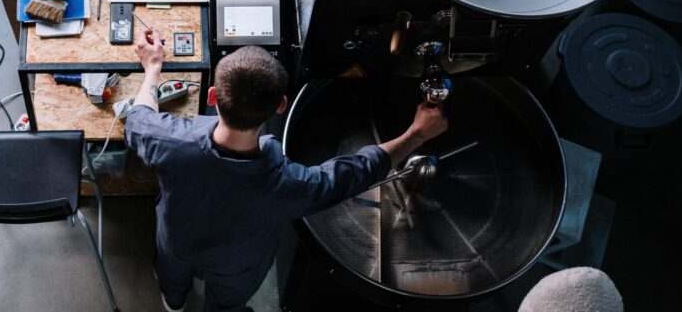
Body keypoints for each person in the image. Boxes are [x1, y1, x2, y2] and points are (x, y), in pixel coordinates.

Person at [124, 30, 449, 312]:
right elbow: (359, 171)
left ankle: (173, 303)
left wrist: (153, 67)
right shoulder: (291, 185)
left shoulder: (170, 141)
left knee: (171, 280)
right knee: (228, 304)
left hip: (176, 244)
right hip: (239, 264)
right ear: (281, 105)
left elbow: (139, 117)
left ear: (212, 97)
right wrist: (417, 134)